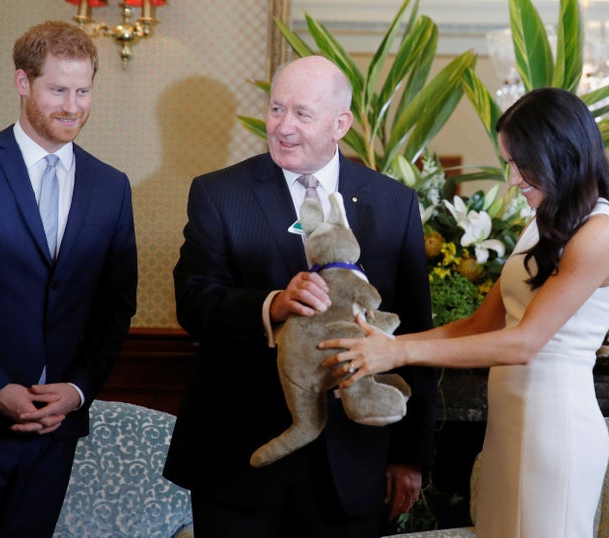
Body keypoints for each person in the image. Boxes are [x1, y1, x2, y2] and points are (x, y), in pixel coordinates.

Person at [322, 87, 609, 538]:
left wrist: (398, 357)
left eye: (519, 163)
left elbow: (524, 343)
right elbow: (479, 324)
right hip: (511, 423)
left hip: (555, 431)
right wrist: (387, 345)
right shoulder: (544, 221)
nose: (512, 179)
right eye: (509, 162)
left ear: (558, 154)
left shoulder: (600, 233)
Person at [163, 55, 438, 538]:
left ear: (341, 123)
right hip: (241, 457)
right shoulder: (219, 193)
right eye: (276, 109)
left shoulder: (394, 203)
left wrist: (409, 455)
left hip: (352, 461)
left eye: (302, 114)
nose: (283, 127)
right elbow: (194, 298)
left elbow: (415, 331)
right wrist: (271, 305)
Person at [0, 21, 137, 537]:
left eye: (83, 91)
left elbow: (116, 304)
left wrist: (78, 390)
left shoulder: (112, 187)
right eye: (58, 89)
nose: (73, 106)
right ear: (22, 83)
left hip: (55, 434)